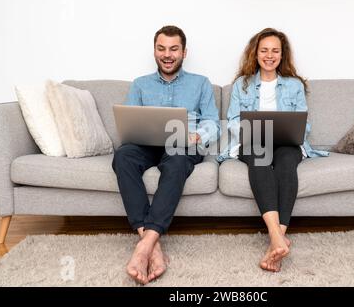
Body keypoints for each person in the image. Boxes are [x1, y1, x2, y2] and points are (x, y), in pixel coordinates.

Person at [112, 25, 220, 284]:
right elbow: (129, 121)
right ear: (154, 51)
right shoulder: (140, 84)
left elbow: (213, 122)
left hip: (183, 144)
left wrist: (197, 136)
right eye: (161, 48)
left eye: (174, 49)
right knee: (123, 156)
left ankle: (143, 246)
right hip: (146, 144)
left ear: (184, 52)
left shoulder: (200, 83)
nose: (167, 54)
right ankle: (152, 245)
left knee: (178, 161)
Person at [217, 28, 329, 272]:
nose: (269, 55)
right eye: (264, 50)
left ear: (282, 55)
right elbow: (234, 121)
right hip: (253, 141)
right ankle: (277, 237)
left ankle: (276, 240)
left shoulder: (294, 85)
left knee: (287, 163)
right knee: (260, 157)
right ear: (255, 54)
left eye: (275, 51)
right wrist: (257, 130)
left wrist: (289, 129)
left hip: (286, 142)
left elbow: (304, 123)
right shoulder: (242, 85)